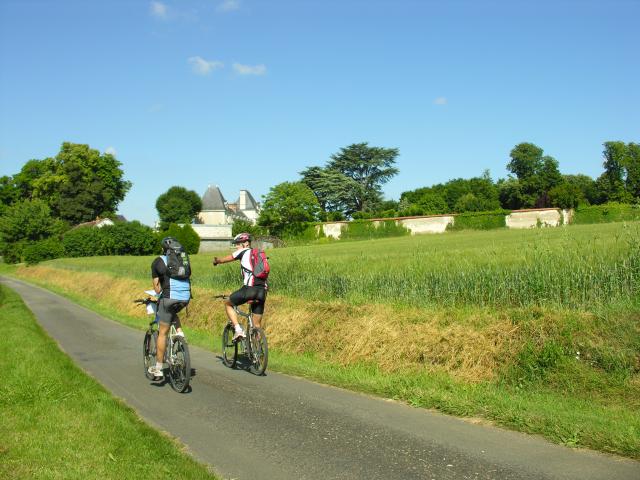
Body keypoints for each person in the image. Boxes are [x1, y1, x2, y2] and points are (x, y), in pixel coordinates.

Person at [147, 236, 190, 379]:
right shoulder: (183, 259)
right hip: (185, 298)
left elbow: (158, 290)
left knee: (163, 333)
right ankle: (180, 333)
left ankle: (158, 368)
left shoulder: (158, 261)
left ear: (163, 249)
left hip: (169, 297)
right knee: (172, 311)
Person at [213, 232, 267, 340]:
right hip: (262, 291)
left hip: (249, 289)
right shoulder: (259, 253)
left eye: (238, 243)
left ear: (246, 243)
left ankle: (238, 330)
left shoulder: (243, 251)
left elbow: (226, 259)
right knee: (257, 325)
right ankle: (258, 353)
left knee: (228, 303)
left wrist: (217, 261)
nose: (236, 246)